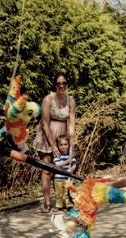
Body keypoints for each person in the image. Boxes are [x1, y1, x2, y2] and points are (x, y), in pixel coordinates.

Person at [34, 73, 76, 213]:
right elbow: (45, 123)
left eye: (64, 83)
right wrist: (52, 145)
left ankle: (62, 200)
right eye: (59, 83)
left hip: (62, 136)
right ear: (55, 85)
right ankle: (46, 203)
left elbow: (71, 121)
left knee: (62, 169)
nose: (61, 86)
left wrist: (71, 139)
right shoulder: (48, 99)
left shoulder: (70, 100)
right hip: (48, 135)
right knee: (47, 170)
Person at [52, 135, 77, 211]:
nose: (63, 147)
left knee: (68, 192)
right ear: (58, 146)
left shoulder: (70, 155)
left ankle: (68, 205)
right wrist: (67, 161)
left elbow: (74, 164)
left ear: (68, 145)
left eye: (65, 144)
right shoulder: (57, 156)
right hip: (58, 178)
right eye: (61, 145)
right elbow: (58, 165)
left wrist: (71, 170)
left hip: (67, 178)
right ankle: (59, 205)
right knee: (59, 193)